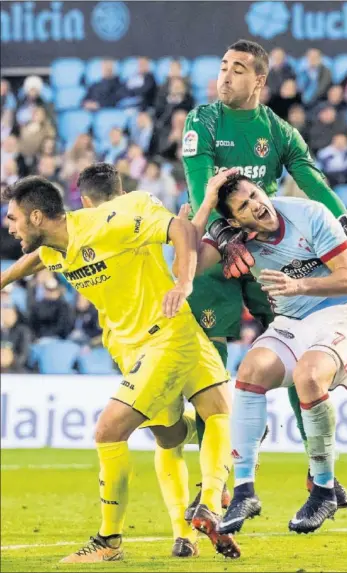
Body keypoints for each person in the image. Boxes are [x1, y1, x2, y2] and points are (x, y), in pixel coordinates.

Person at [1, 168, 239, 562]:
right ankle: (195, 520)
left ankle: (109, 541)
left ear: (37, 216)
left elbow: (179, 228)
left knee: (109, 430)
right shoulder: (52, 250)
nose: (9, 227)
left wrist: (183, 284)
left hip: (166, 335)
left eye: (12, 217)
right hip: (140, 348)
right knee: (175, 433)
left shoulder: (110, 220)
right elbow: (31, 262)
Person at [182, 39, 347, 517]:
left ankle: (318, 471)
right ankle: (215, 483)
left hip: (268, 256)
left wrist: (343, 221)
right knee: (212, 366)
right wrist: (223, 234)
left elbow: (311, 178)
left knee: (300, 358)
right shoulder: (202, 120)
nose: (225, 76)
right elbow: (201, 183)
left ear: (259, 81)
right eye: (222, 66)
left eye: (237, 69)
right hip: (219, 256)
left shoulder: (278, 131)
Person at [187, 171, 347, 535]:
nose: (257, 205)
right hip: (292, 321)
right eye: (243, 206)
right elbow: (188, 260)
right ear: (234, 220)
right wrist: (207, 205)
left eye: (255, 194)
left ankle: (323, 490)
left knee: (308, 375)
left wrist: (299, 284)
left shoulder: (310, 214)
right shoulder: (234, 238)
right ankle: (244, 491)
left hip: (341, 313)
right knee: (251, 371)